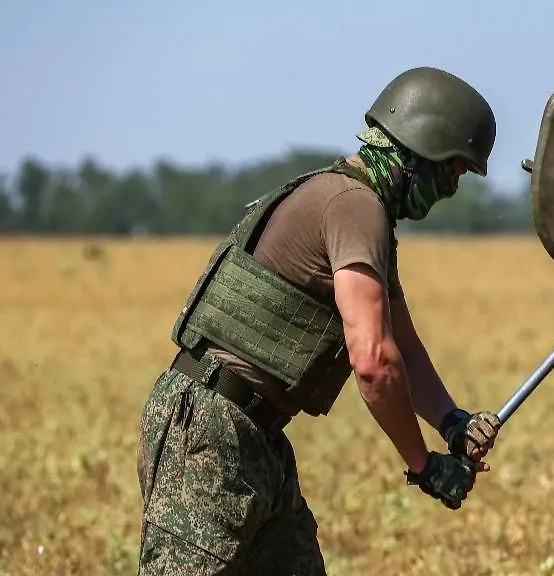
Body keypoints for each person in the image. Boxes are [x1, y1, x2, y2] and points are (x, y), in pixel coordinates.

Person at [135, 66, 503, 575]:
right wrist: (423, 465)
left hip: (258, 437)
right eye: (454, 171)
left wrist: (452, 422)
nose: (452, 191)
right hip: (211, 434)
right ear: (423, 151)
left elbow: (404, 348)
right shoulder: (355, 208)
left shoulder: (359, 209)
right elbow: (374, 363)